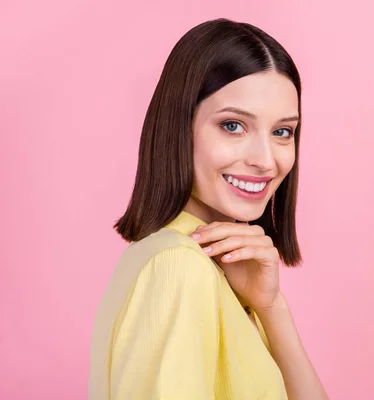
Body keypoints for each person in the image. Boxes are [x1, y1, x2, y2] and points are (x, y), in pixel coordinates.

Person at [88, 18, 328, 400]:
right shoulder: (178, 266)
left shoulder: (204, 265)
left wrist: (271, 308)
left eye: (282, 132)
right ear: (179, 126)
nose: (266, 161)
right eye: (233, 125)